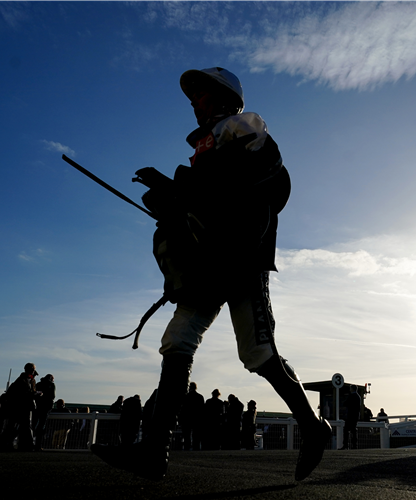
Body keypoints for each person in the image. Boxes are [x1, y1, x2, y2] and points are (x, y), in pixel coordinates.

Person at [92, 67, 331, 481]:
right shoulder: (207, 146)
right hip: (207, 264)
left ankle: (313, 428)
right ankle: (155, 451)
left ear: (222, 97)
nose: (193, 100)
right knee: (177, 340)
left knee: (257, 353)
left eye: (199, 93)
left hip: (240, 262)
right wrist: (170, 197)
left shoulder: (241, 127)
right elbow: (205, 202)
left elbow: (250, 182)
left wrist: (176, 190)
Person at [3, 362, 38, 451]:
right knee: (22, 426)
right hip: (21, 406)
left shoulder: (26, 380)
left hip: (23, 406)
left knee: (18, 426)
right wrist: (33, 394)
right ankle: (27, 444)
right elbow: (22, 394)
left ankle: (18, 444)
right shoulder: (23, 381)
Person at [33, 373, 56, 451]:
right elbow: (52, 396)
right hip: (46, 407)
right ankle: (38, 445)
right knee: (41, 426)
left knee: (34, 424)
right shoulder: (51, 385)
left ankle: (32, 443)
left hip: (38, 406)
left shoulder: (38, 384)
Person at [179, 382, 204, 451]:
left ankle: (187, 447)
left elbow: (182, 409)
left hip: (187, 418)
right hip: (196, 418)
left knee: (186, 435)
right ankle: (196, 448)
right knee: (196, 435)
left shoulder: (186, 396)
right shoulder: (200, 397)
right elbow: (202, 409)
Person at [342, 385, 362, 450]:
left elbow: (345, 403)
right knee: (354, 430)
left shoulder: (351, 396)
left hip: (350, 416)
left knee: (346, 430)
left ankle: (346, 445)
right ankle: (354, 446)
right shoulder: (358, 397)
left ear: (352, 389)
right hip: (355, 416)